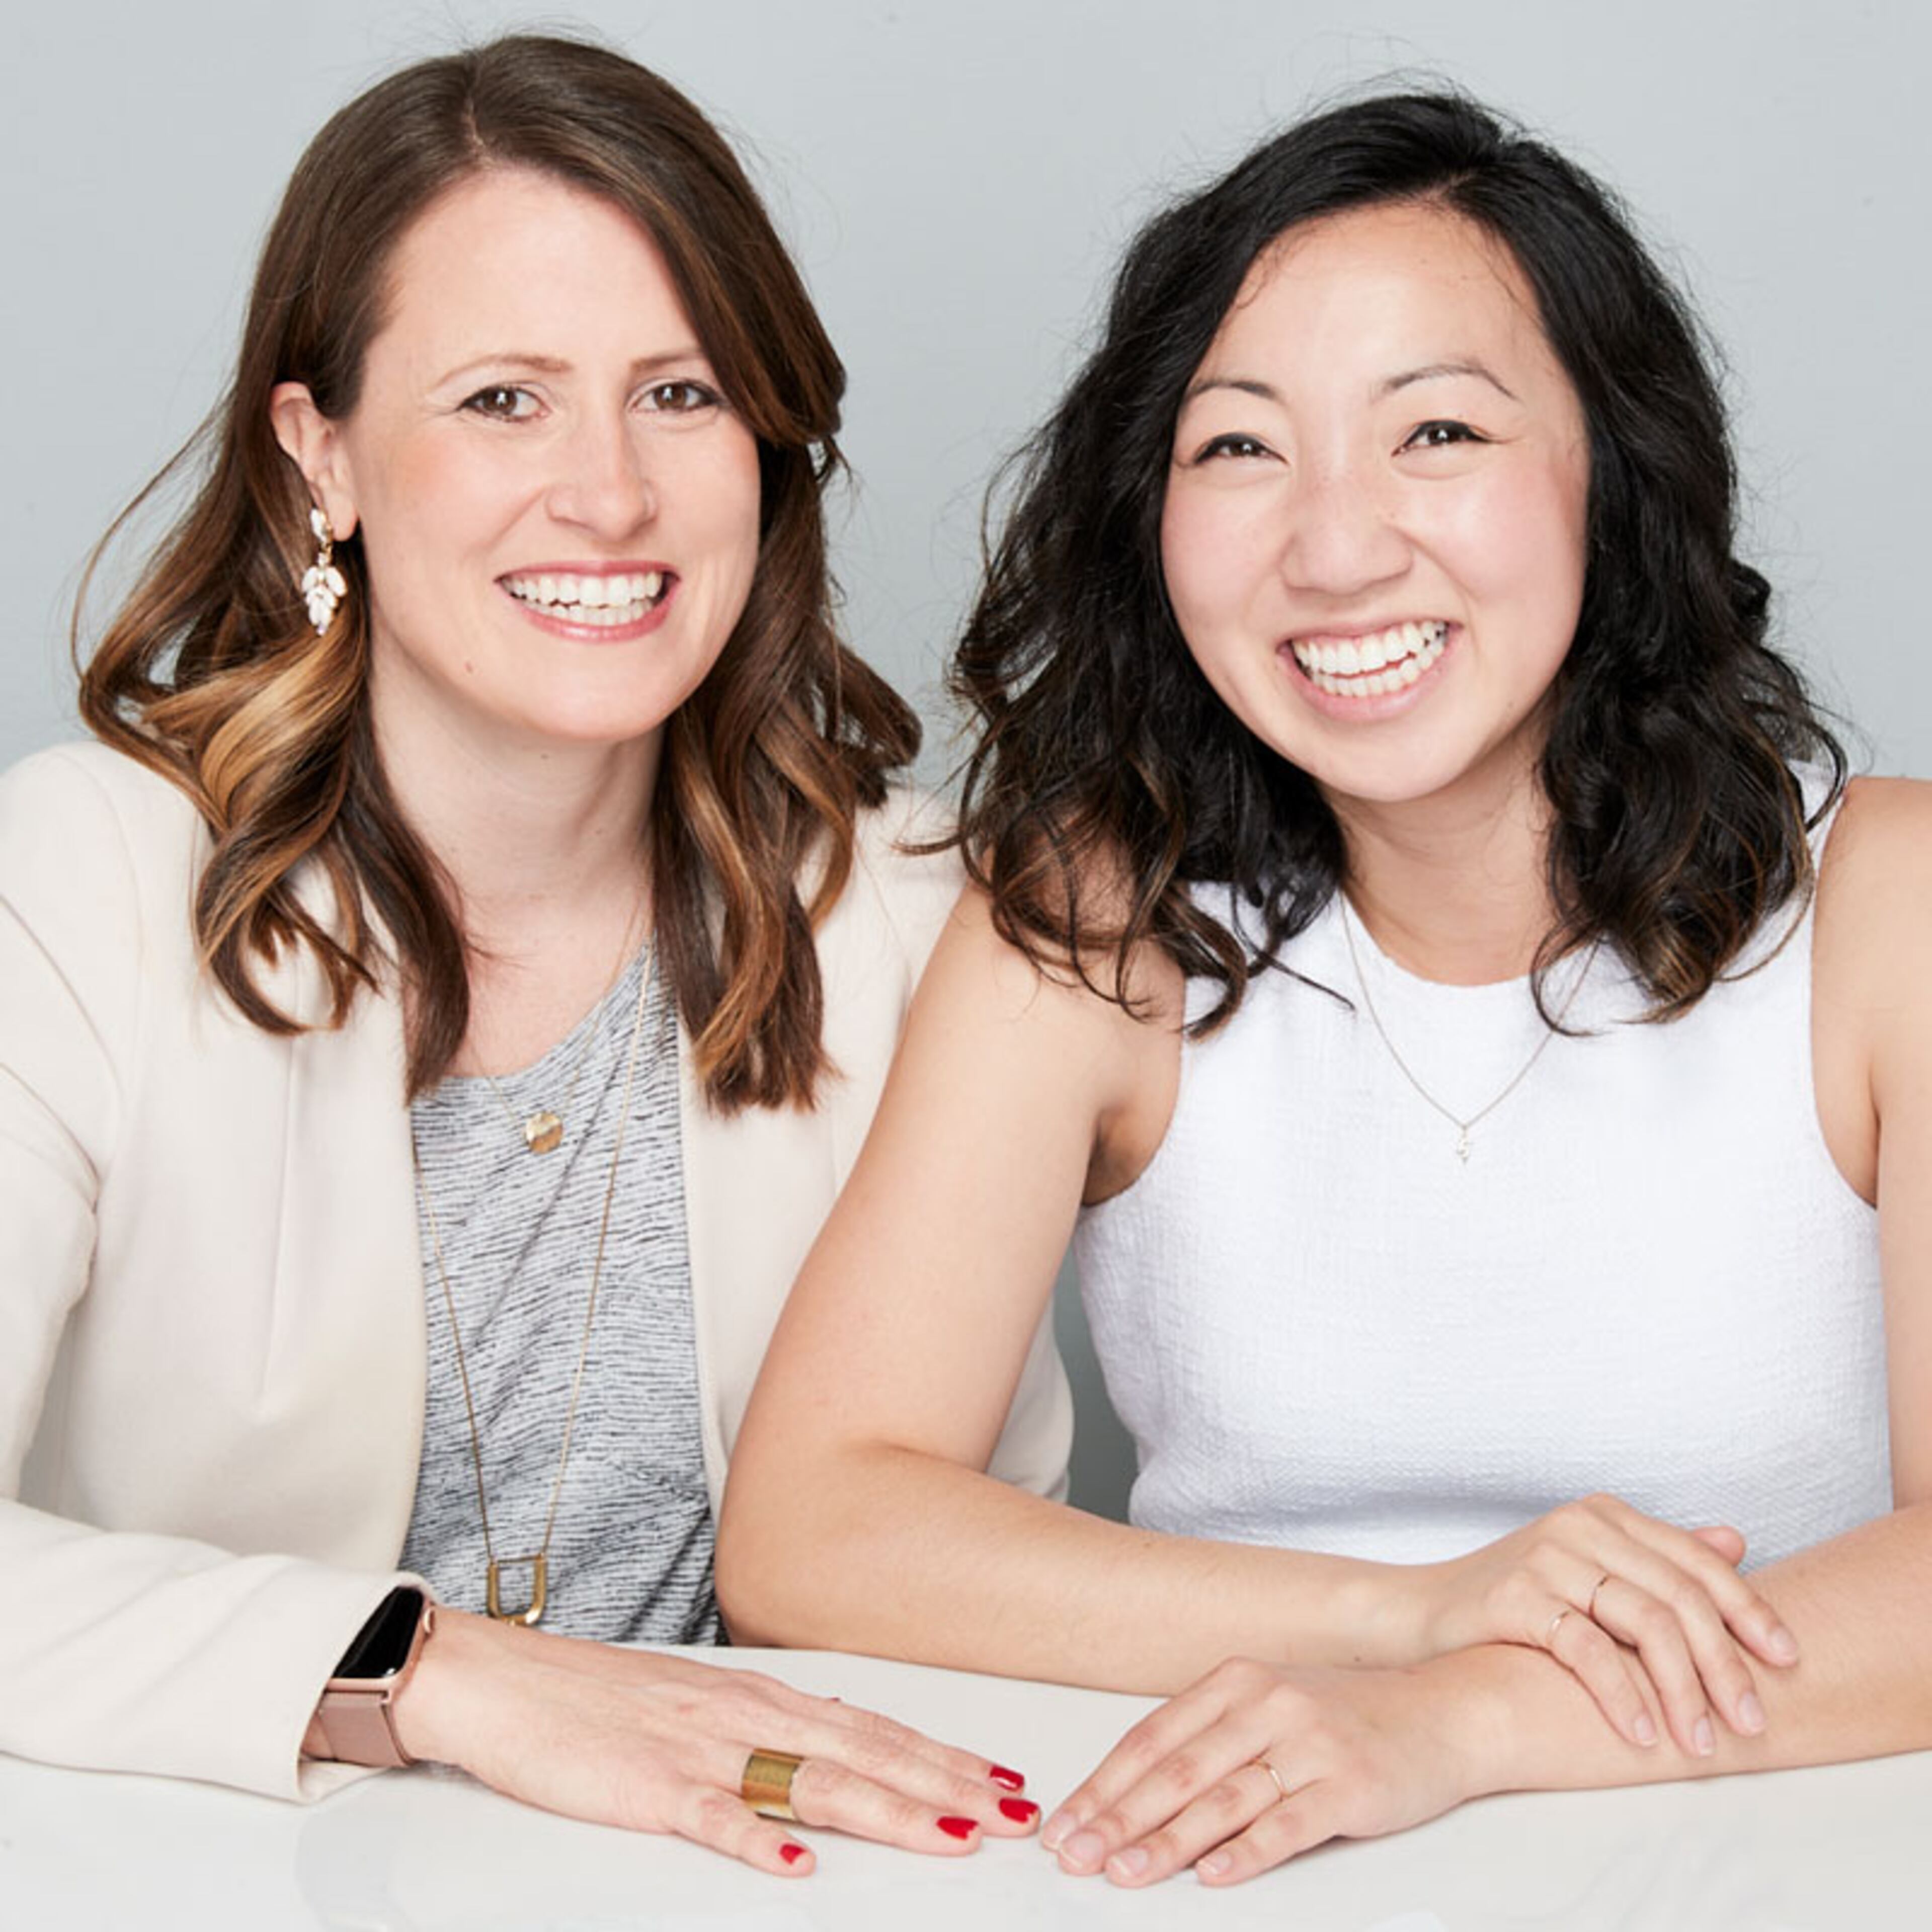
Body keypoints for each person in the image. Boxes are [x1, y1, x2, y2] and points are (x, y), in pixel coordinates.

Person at [718, 91, 1932, 1885]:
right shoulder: (1097, 920)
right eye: (1240, 447)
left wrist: (1464, 1720)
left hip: (1784, 1873)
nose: (1337, 546)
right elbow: (811, 1532)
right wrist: (1411, 1617)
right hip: (1228, 1867)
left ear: (1612, 473)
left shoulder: (1888, 901)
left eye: (1438, 430)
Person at [0, 34, 1069, 1875]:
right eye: (504, 399)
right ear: (322, 454)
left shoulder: (909, 919)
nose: (611, 494)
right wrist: (436, 1678)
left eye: (681, 393)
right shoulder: (81, 882)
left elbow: (980, 1573)